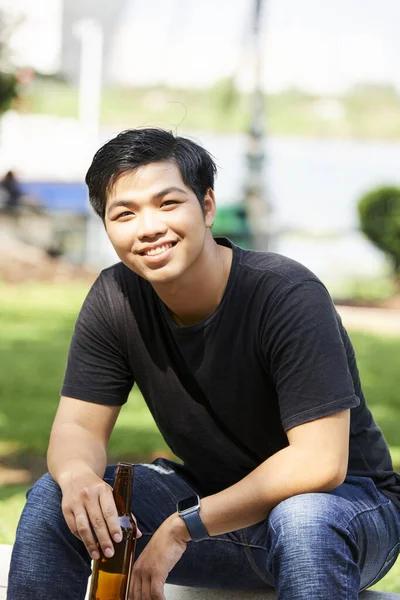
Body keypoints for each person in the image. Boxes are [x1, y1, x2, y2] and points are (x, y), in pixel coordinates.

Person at [7, 128, 400, 600]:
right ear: (107, 227)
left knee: (303, 517)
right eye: (124, 214)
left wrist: (183, 526)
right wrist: (77, 479)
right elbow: (79, 428)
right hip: (220, 514)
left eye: (168, 204)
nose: (149, 227)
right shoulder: (116, 299)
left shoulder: (285, 294)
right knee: (56, 498)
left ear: (207, 206)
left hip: (346, 513)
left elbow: (320, 462)